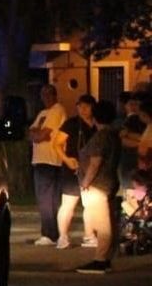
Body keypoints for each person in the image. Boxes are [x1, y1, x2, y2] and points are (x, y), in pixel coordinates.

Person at [76, 98, 122, 274]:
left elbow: (95, 162)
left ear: (95, 117)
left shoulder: (101, 136)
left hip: (97, 184)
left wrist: (86, 182)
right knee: (105, 221)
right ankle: (106, 258)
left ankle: (100, 260)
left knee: (102, 224)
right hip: (108, 181)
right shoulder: (113, 135)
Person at [52, 96, 95, 250]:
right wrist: (67, 159)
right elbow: (57, 143)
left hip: (90, 168)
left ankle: (89, 235)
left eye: (87, 106)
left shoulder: (97, 124)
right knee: (68, 204)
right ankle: (62, 236)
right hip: (72, 167)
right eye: (80, 106)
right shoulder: (71, 123)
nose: (83, 110)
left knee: (90, 204)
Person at [27, 84, 66, 246]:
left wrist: (37, 134)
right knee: (46, 198)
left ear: (54, 95)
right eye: (43, 94)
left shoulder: (57, 110)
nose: (45, 98)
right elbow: (30, 134)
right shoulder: (43, 113)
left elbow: (41, 135)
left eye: (48, 94)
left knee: (47, 198)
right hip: (40, 159)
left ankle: (49, 234)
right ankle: (51, 232)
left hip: (50, 160)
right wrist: (36, 134)